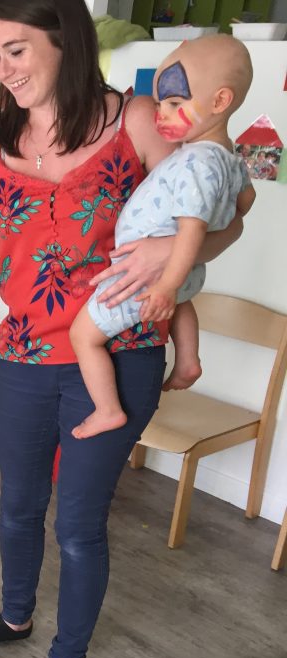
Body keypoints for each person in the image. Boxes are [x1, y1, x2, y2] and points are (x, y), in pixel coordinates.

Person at [0, 0, 244, 658]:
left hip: (118, 356)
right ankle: (16, 616)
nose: (4, 69)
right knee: (18, 506)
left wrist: (168, 256)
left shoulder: (138, 120)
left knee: (78, 520)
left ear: (66, 42)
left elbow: (222, 213)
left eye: (17, 50)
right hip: (24, 352)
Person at [70, 36, 255, 439]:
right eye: (159, 104)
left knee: (83, 336)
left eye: (174, 104)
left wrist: (167, 284)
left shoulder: (195, 163)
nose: (161, 115)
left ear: (221, 101)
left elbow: (192, 228)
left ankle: (107, 409)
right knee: (183, 301)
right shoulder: (229, 158)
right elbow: (247, 201)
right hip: (179, 275)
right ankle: (188, 359)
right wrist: (178, 282)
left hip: (146, 277)